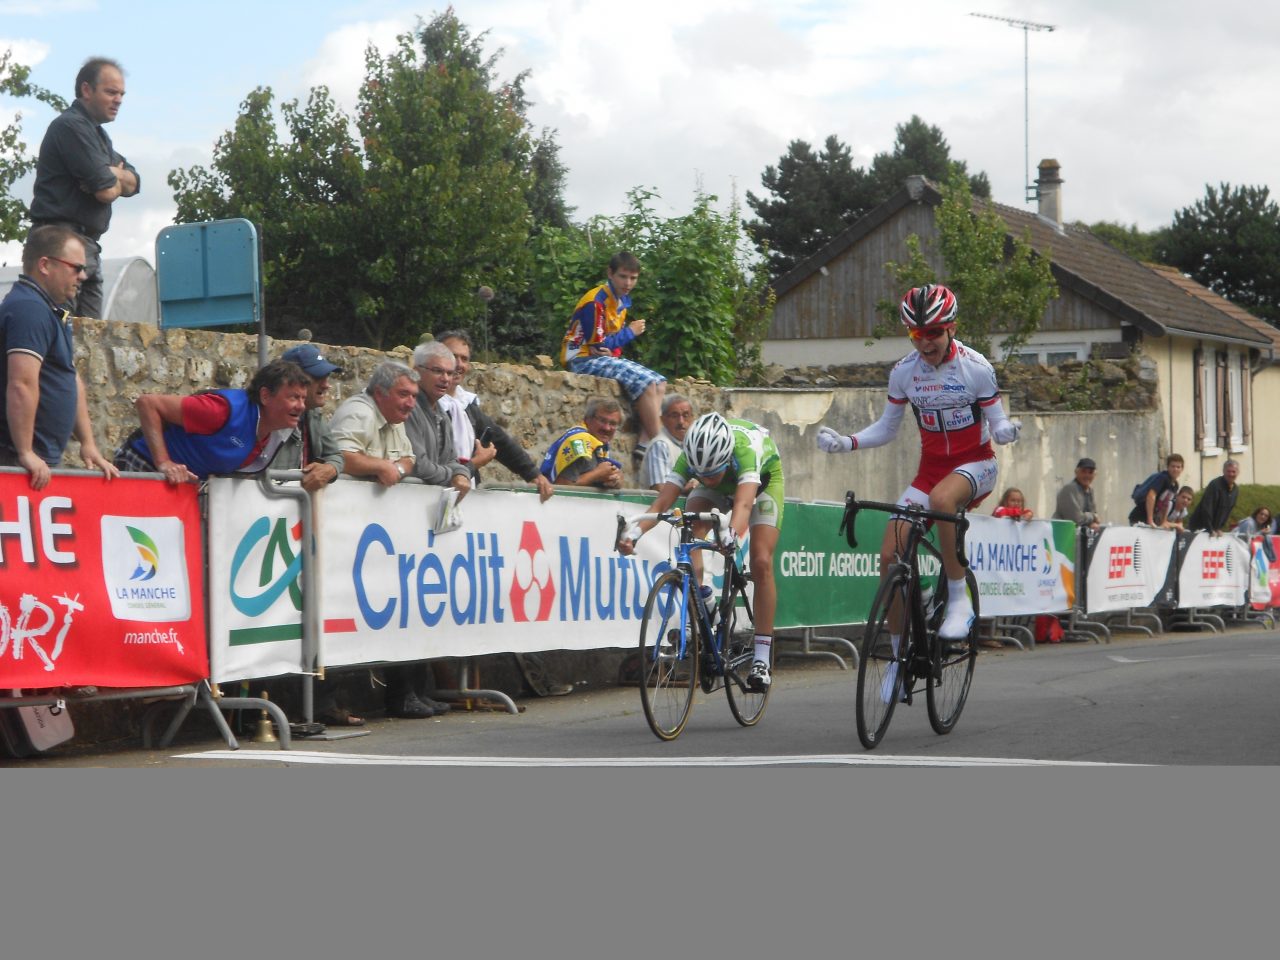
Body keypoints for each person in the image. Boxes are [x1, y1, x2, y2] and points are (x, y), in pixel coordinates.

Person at [815, 284, 1020, 646]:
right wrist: (848, 442)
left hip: (976, 464)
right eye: (916, 334)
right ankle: (898, 653)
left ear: (951, 328)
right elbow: (887, 428)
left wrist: (1004, 431)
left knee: (943, 500)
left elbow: (997, 420)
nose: (925, 343)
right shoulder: (904, 373)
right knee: (889, 554)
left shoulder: (976, 368)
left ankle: (960, 600)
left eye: (933, 333)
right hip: (929, 472)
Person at [619, 412, 785, 691]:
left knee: (760, 560)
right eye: (701, 475)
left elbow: (744, 506)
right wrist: (633, 535)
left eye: (713, 473)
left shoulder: (746, 450)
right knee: (689, 527)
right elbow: (661, 504)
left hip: (762, 483)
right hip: (725, 485)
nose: (707, 480)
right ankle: (705, 601)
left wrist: (730, 535)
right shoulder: (690, 457)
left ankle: (761, 657)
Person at [329, 359, 449, 720]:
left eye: (414, 395)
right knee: (340, 616)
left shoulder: (395, 422)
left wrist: (392, 468)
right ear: (380, 392)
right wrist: (379, 466)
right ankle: (331, 703)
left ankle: (407, 694)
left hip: (380, 536)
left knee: (402, 608)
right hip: (346, 533)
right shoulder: (360, 413)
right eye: (403, 394)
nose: (411, 403)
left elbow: (410, 459)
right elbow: (339, 457)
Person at [1, 225, 119, 489]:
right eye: (76, 267)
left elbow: (68, 375)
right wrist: (25, 452)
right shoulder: (29, 309)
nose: (83, 275)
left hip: (35, 460)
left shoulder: (50, 310)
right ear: (45, 265)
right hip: (14, 460)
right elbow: (21, 383)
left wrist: (88, 443)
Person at [29, 58, 139, 320]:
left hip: (87, 245)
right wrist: (112, 180)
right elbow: (105, 191)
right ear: (87, 90)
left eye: (121, 94)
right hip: (61, 242)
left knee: (89, 340)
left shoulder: (97, 135)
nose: (118, 100)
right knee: (58, 331)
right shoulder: (70, 126)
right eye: (111, 92)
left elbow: (135, 183)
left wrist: (113, 174)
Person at [113, 360, 309, 483]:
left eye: (303, 399)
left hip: (184, 481)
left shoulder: (277, 432)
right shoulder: (220, 410)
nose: (301, 406)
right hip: (142, 463)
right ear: (265, 396)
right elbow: (148, 403)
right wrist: (164, 462)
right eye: (293, 397)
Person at [559, 251, 666, 466]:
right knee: (646, 385)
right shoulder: (595, 301)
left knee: (660, 382)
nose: (628, 283)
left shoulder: (622, 301)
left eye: (633, 278)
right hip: (581, 359)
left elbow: (610, 345)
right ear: (610, 273)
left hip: (599, 357)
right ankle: (661, 443)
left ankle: (645, 442)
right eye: (623, 277)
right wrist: (631, 332)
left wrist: (613, 348)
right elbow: (599, 343)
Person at [434, 328, 554, 503]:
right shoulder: (427, 403)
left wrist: (534, 475)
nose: (459, 364)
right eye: (453, 356)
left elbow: (500, 441)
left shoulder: (466, 405)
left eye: (464, 359)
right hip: (431, 497)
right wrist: (475, 463)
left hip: (466, 497)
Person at [266, 344, 345, 493]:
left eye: (327, 377)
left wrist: (329, 469)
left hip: (293, 508)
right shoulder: (268, 414)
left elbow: (335, 455)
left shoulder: (314, 414)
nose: (326, 384)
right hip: (264, 507)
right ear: (292, 380)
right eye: (317, 377)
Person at [405, 341, 471, 504]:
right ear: (416, 372)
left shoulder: (441, 413)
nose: (445, 379)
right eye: (437, 371)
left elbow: (451, 459)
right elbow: (417, 464)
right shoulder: (408, 409)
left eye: (450, 373)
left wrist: (461, 474)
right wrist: (452, 476)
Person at [539, 397, 625, 489]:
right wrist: (597, 474)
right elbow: (561, 487)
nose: (607, 428)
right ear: (587, 419)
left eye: (613, 423)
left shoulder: (600, 445)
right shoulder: (579, 443)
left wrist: (616, 480)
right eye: (602, 421)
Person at [639, 393, 697, 493]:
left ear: (692, 419)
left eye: (686, 415)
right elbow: (661, 489)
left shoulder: (691, 445)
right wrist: (686, 489)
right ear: (663, 420)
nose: (681, 421)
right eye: (675, 416)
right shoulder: (660, 445)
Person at [1128, 453, 1185, 527]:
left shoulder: (1175, 485)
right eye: (1173, 466)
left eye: (1178, 467)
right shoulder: (1162, 478)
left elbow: (1166, 503)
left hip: (1150, 520)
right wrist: (1150, 520)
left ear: (1182, 469)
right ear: (1168, 467)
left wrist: (1164, 521)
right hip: (1139, 518)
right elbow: (1151, 496)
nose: (1175, 469)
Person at [1188, 459, 1240, 536]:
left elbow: (1227, 511)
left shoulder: (1235, 490)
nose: (1231, 474)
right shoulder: (1215, 485)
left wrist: (1219, 528)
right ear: (1223, 471)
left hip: (1214, 529)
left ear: (1238, 473)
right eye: (1228, 471)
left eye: (1233, 472)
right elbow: (1207, 508)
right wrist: (1210, 529)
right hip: (1199, 528)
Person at [1053, 458, 1102, 531]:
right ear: (1076, 472)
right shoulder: (1069, 489)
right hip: (1062, 535)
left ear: (1095, 475)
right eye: (1084, 471)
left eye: (1090, 472)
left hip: (1080, 536)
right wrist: (1093, 516)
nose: (1087, 475)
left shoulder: (1090, 490)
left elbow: (1095, 517)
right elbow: (1076, 519)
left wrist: (1092, 519)